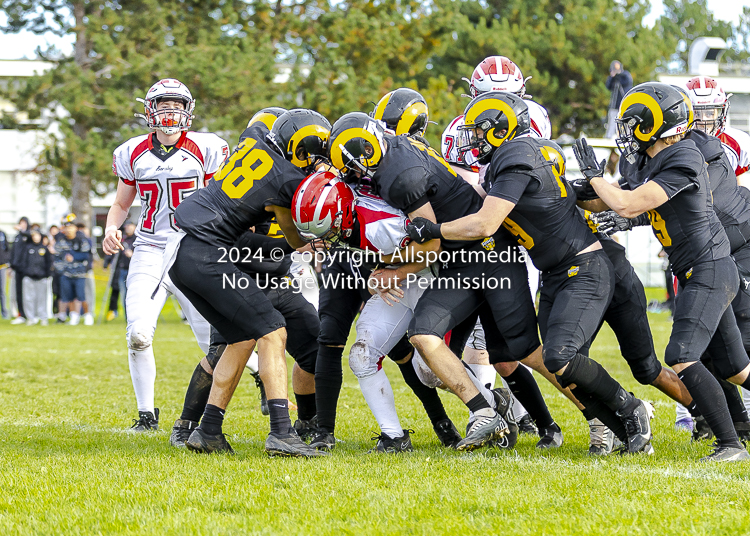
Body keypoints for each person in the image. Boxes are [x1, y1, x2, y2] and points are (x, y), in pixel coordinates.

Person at [408, 91, 655, 455]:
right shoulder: (514, 157)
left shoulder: (516, 155)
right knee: (556, 360)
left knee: (559, 357)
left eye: (479, 131)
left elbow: (485, 224)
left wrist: (434, 230)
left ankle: (632, 409)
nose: (474, 139)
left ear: (499, 129)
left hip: (582, 266)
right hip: (557, 270)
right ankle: (624, 428)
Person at [576, 81, 750, 462]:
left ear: (653, 124)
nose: (625, 132)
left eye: (631, 123)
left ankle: (731, 445)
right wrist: (570, 189)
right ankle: (736, 434)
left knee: (682, 355)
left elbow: (625, 204)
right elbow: (607, 200)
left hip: (709, 268)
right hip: (697, 270)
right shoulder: (651, 159)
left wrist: (594, 177)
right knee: (736, 369)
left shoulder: (684, 156)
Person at [167, 109, 331, 457]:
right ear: (303, 150)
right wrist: (316, 235)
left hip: (183, 251)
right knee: (273, 331)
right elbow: (293, 235)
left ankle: (208, 430)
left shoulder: (253, 141)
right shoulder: (288, 178)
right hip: (210, 253)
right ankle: (282, 434)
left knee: (240, 338)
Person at [292, 170, 467, 452]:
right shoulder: (332, 178)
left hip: (377, 259)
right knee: (330, 338)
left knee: (403, 351)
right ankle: (324, 430)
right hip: (345, 261)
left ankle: (443, 421)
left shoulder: (390, 176)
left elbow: (424, 245)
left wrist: (391, 271)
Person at [102, 78, 229, 431]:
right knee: (138, 333)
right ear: (149, 110)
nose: (169, 112)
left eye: (176, 104)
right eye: (163, 104)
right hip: (150, 249)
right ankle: (146, 415)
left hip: (196, 247)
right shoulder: (131, 152)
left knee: (213, 342)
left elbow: (223, 199)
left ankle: (252, 381)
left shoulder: (207, 147)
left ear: (188, 110)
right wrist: (111, 228)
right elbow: (120, 203)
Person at [685, 76, 750, 180]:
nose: (703, 120)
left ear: (720, 112)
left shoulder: (737, 143)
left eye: (710, 113)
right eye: (696, 113)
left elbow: (737, 187)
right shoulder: (674, 140)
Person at [54, 220, 93, 326]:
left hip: (79, 273)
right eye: (66, 228)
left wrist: (74, 257)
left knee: (81, 296)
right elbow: (57, 256)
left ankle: (87, 315)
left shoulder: (81, 240)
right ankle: (73, 316)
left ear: (75, 228)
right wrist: (61, 269)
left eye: (71, 227)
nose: (68, 230)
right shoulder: (61, 241)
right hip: (66, 273)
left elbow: (86, 255)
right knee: (69, 296)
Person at [20, 228, 53, 325]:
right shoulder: (27, 248)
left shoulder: (44, 249)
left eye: (38, 235)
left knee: (42, 298)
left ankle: (43, 317)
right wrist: (26, 272)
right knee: (28, 298)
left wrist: (47, 274)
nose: (36, 238)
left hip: (42, 278)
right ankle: (31, 317)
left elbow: (48, 263)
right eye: (34, 236)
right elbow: (23, 262)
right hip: (29, 277)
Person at [604, 60, 633, 138]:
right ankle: (609, 136)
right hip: (614, 104)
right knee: (612, 121)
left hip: (624, 103)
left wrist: (619, 75)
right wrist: (612, 77)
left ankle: (626, 137)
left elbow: (628, 82)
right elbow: (608, 86)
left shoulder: (625, 75)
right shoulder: (613, 78)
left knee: (625, 121)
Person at [10, 216, 30, 323]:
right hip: (17, 269)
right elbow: (13, 252)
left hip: (26, 269)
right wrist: (11, 265)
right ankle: (21, 314)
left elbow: (30, 236)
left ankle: (29, 314)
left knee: (27, 293)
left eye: (24, 223)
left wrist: (23, 231)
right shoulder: (17, 237)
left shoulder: (28, 236)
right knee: (18, 292)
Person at [0, 228, 10, 319]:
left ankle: (4, 312)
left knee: (2, 291)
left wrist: (6, 261)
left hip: (1, 266)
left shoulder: (2, 234)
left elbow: (7, 249)